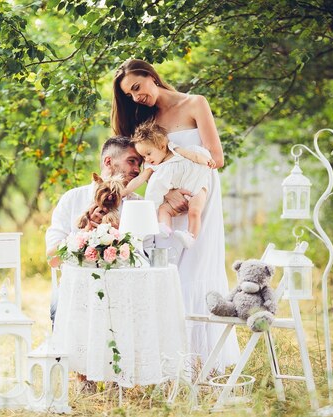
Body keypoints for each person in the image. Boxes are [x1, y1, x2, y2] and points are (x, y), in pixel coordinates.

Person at [111, 58, 240, 374]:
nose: (136, 97)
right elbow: (147, 167)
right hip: (166, 203)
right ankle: (173, 360)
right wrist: (167, 194)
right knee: (168, 271)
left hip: (199, 191)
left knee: (197, 268)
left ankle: (205, 361)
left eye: (137, 87)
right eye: (129, 95)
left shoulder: (195, 103)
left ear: (151, 76)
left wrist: (187, 184)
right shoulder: (147, 123)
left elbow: (217, 158)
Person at [45, 136, 143, 318]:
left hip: (125, 296)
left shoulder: (138, 204)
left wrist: (121, 234)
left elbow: (148, 260)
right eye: (132, 161)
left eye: (140, 163)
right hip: (77, 296)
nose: (138, 169)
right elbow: (52, 259)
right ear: (108, 162)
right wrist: (84, 234)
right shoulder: (72, 199)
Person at [123, 120, 216, 249]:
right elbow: (139, 179)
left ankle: (190, 237)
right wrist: (123, 191)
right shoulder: (152, 166)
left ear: (161, 146)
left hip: (196, 186)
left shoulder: (175, 149)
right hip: (178, 195)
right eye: (143, 157)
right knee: (163, 209)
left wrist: (205, 160)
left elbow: (193, 155)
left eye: (148, 154)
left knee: (194, 212)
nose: (147, 159)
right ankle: (164, 228)